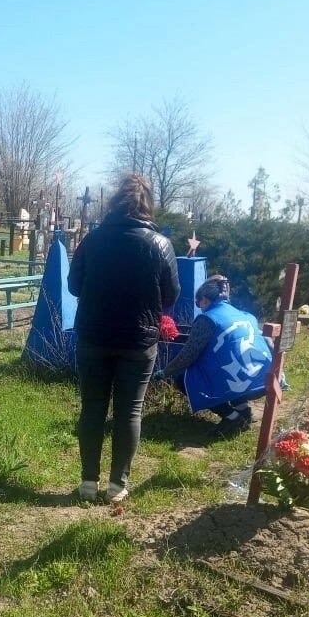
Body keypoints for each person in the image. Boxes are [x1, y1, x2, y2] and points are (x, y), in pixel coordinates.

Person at [68, 173, 180, 503]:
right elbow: (171, 295)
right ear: (149, 207)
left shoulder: (93, 240)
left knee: (92, 408)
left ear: (114, 203)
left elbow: (74, 286)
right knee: (130, 411)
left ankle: (88, 483)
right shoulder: (160, 245)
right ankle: (118, 485)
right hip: (138, 339)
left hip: (94, 335)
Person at [153, 275, 273, 437]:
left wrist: (165, 372)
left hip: (241, 383)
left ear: (204, 299)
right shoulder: (245, 315)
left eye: (198, 302)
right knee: (233, 369)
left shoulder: (207, 319)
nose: (199, 307)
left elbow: (188, 355)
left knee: (184, 379)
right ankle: (244, 411)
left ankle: (233, 417)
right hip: (262, 380)